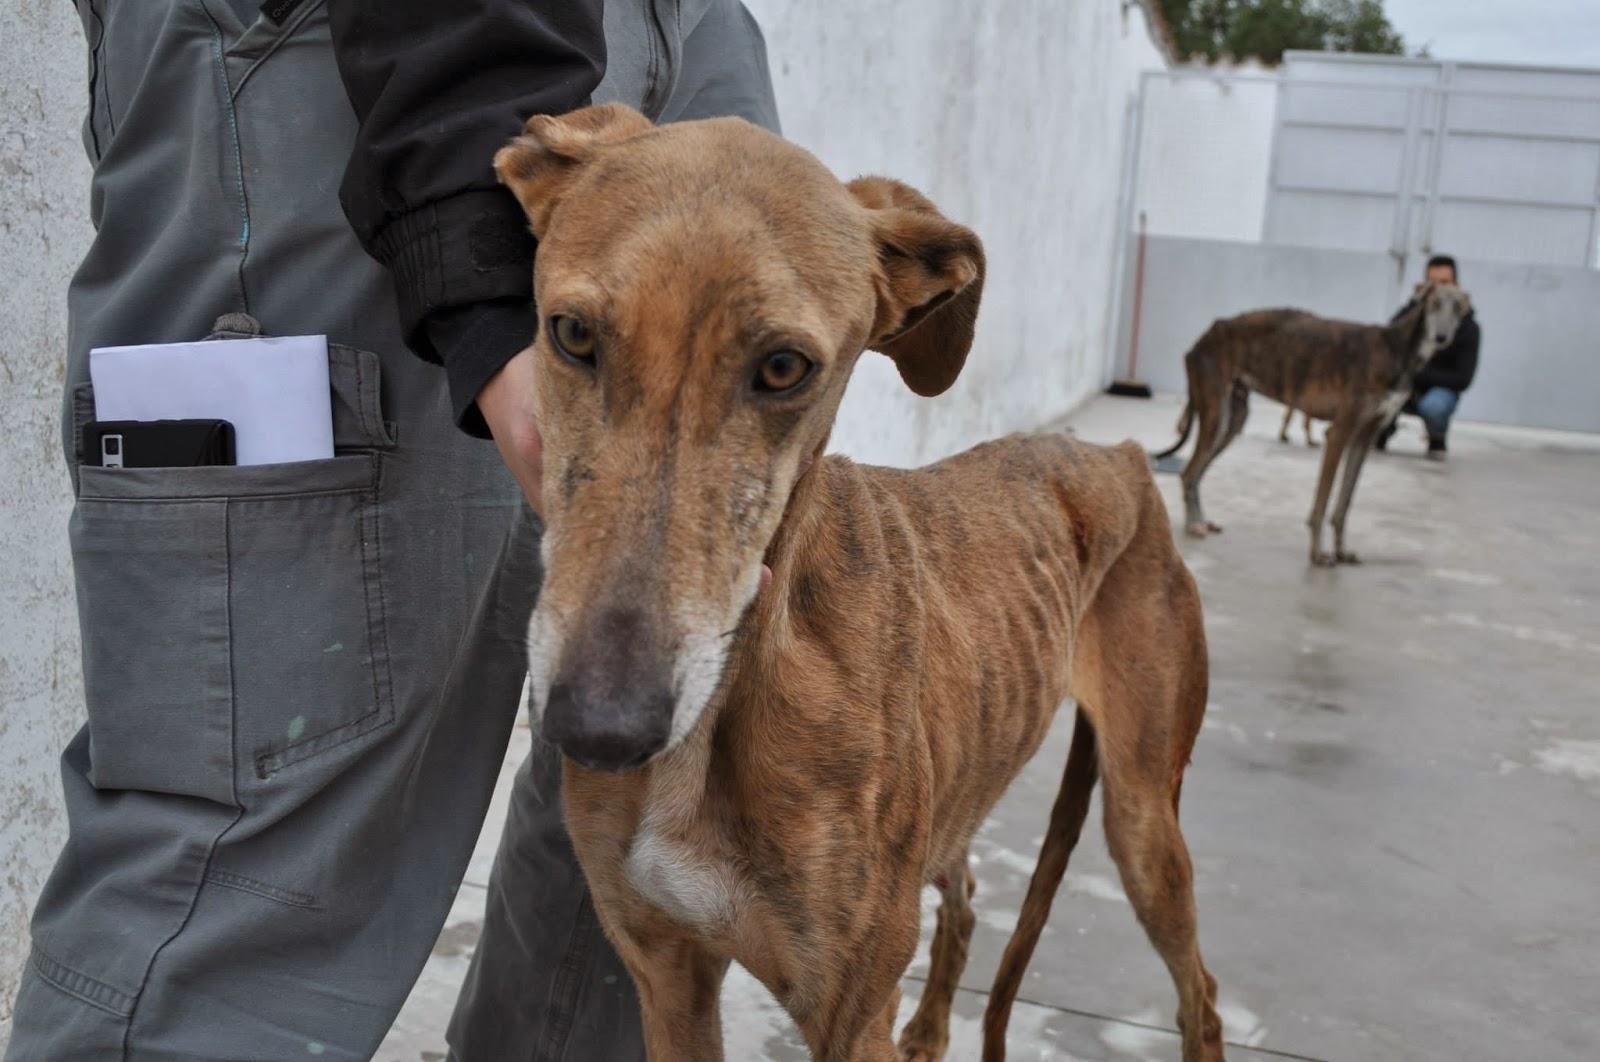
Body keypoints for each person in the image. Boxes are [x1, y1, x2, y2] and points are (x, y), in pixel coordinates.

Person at [6, 2, 777, 1059]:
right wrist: (485, 276)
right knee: (251, 872)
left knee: (642, 785)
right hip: (357, 74)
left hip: (656, 58)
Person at [1376, 254, 1481, 461]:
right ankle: (1382, 429)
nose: (1439, 289)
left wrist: (1417, 373)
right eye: (1432, 283)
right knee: (1380, 389)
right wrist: (1416, 303)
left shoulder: (1468, 327)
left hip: (1436, 390)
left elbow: (1463, 379)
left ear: (1456, 284)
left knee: (1435, 406)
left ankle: (1436, 436)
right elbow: (1389, 336)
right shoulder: (1415, 315)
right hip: (1406, 385)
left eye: (1444, 282)